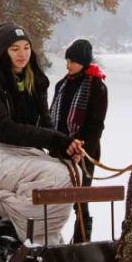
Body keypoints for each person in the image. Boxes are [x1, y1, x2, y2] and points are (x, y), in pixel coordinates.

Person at [0, 22, 82, 244]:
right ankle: (23, 228)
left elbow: (45, 124)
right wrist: (55, 139)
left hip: (21, 154)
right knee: (56, 176)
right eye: (15, 48)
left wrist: (63, 148)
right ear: (3, 52)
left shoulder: (34, 80)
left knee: (74, 173)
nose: (22, 54)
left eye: (26, 47)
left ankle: (42, 234)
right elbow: (4, 129)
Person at [49, 39, 108, 242]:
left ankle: (82, 239)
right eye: (67, 60)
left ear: (83, 61)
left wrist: (81, 149)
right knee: (54, 196)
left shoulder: (97, 87)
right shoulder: (62, 84)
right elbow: (52, 116)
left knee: (80, 199)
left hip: (84, 152)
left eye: (73, 61)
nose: (68, 65)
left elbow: (96, 125)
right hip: (59, 149)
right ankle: (50, 235)